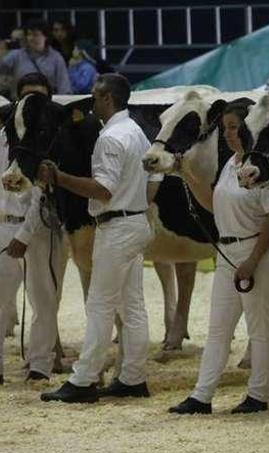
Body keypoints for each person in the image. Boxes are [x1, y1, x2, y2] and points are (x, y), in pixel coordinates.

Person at [40, 73, 158, 403]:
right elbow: (156, 172)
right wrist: (140, 200)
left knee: (100, 305)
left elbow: (103, 190)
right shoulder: (135, 131)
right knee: (132, 306)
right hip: (135, 222)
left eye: (95, 96)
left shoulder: (110, 138)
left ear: (108, 99)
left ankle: (83, 380)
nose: (91, 101)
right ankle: (133, 377)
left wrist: (59, 177)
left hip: (116, 227)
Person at [168, 102, 269, 415]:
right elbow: (212, 204)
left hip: (255, 253)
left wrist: (252, 261)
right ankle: (201, 396)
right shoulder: (231, 164)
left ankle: (258, 395)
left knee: (258, 327)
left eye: (234, 127)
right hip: (226, 253)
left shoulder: (261, 168)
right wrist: (186, 175)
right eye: (226, 128)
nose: (229, 134)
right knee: (218, 328)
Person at [0, 73, 66, 385]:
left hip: (39, 228)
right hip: (2, 225)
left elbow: (42, 191)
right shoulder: (4, 134)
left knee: (44, 299)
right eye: (27, 96)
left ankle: (40, 364)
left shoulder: (50, 137)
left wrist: (25, 235)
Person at [0, 19, 71, 97]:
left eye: (35, 35)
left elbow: (64, 87)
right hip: (20, 102)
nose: (31, 38)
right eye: (29, 34)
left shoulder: (56, 58)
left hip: (47, 104)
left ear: (45, 36)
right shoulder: (16, 55)